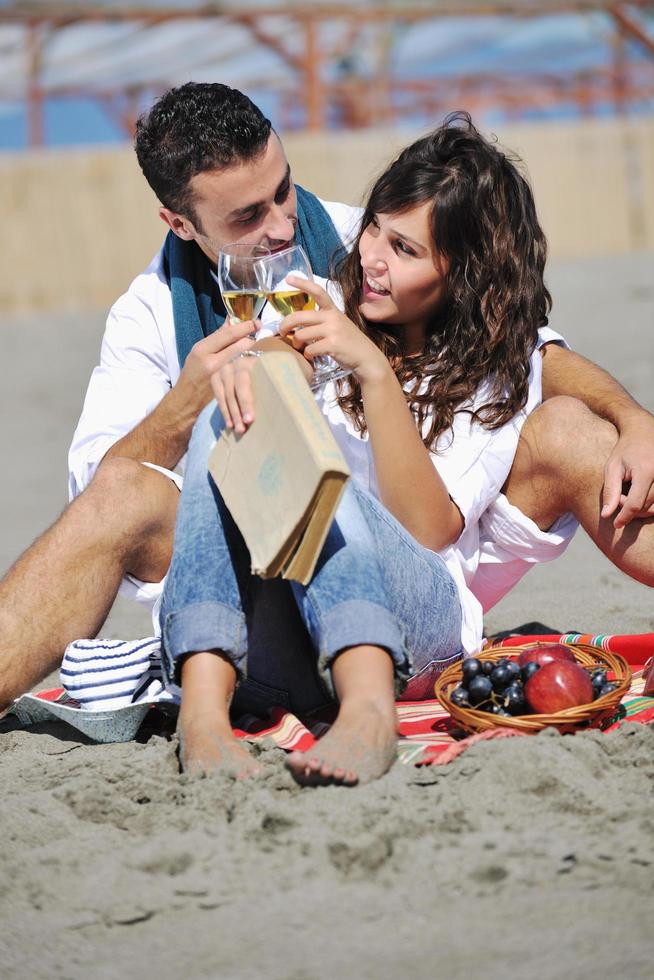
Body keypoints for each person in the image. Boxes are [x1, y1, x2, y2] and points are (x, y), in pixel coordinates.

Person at [0, 83, 652, 712]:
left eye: (283, 191)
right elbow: (99, 491)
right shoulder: (148, 316)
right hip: (250, 576)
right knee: (165, 467)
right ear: (180, 223)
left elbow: (520, 341)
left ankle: (326, 687)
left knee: (567, 426)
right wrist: (188, 404)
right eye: (247, 216)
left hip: (407, 571)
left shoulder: (351, 248)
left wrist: (632, 419)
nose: (283, 225)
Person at [159, 113, 654, 785]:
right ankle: (204, 720)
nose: (373, 258)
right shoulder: (329, 305)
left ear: (464, 274)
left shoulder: (497, 375)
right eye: (374, 228)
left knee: (329, 482)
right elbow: (272, 373)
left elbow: (428, 530)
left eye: (406, 249)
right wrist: (271, 369)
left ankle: (369, 714)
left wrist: (375, 374)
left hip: (420, 630)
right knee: (235, 415)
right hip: (300, 644)